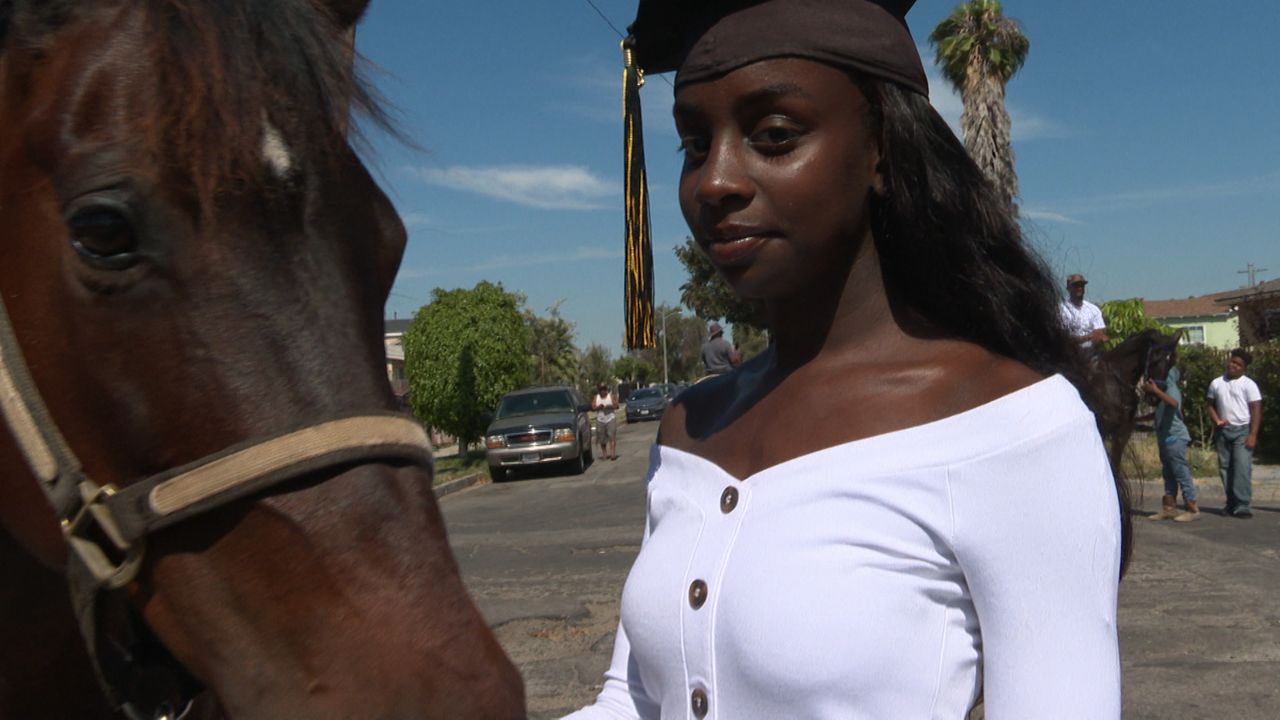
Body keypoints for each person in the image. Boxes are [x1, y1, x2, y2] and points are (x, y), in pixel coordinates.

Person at [567, 2, 1129, 718]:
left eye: (773, 136)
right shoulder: (691, 425)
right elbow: (636, 699)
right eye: (694, 144)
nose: (714, 181)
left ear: (881, 153)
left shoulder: (1011, 428)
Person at [1206, 348, 1263, 518]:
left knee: (1242, 467)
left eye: (1238, 364)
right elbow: (1209, 404)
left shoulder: (1249, 384)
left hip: (1242, 431)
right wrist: (1216, 419)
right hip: (1223, 431)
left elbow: (1256, 409)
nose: (1233, 366)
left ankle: (1242, 505)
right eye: (1232, 362)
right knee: (1225, 468)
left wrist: (1253, 434)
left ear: (1244, 368)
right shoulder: (1216, 383)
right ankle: (1231, 503)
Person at [1143, 365, 1200, 522]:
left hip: (1175, 438)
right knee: (1168, 474)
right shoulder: (1164, 394)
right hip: (1165, 439)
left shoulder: (1172, 389)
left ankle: (1192, 508)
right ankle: (1169, 508)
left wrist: (1156, 391)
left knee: (1181, 472)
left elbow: (1174, 404)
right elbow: (1160, 413)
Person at [1059, 273, 1109, 354]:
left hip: (1092, 353)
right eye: (1076, 285)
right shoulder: (1062, 309)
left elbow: (1099, 332)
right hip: (1070, 354)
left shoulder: (1093, 309)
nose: (1079, 288)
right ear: (1068, 288)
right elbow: (1063, 338)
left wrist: (1098, 336)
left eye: (1082, 285)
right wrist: (1087, 337)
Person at [593, 384, 619, 461]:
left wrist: (610, 406)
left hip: (610, 418)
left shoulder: (610, 396)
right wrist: (598, 407)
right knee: (602, 438)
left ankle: (612, 454)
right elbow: (593, 407)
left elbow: (617, 406)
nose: (603, 391)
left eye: (604, 389)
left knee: (612, 436)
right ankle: (605, 453)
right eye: (601, 390)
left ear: (606, 390)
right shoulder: (596, 397)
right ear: (599, 391)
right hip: (600, 420)